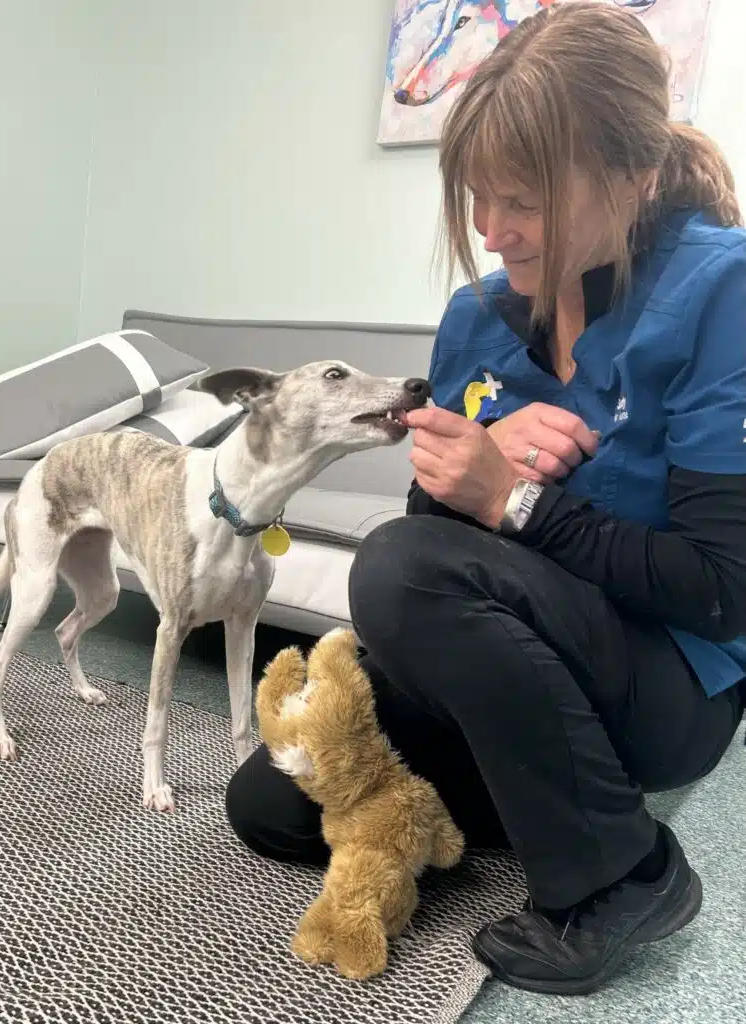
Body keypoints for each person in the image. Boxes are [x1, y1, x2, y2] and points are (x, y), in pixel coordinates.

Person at [226, 1, 746, 997]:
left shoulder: (718, 292)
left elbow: (724, 594)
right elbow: (438, 559)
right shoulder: (475, 316)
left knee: (391, 562)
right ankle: (528, 781)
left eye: (525, 199)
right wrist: (472, 470)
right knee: (274, 803)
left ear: (633, 178)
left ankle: (621, 875)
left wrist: (517, 502)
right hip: (516, 665)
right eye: (475, 194)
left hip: (664, 684)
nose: (489, 227)